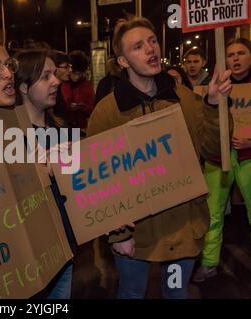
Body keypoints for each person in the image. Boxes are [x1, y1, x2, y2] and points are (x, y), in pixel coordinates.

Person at [87, 16, 232, 299]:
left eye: (152, 41)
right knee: (131, 293)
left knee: (176, 294)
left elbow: (212, 148)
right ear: (123, 62)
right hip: (136, 235)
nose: (150, 49)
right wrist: (119, 236)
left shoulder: (185, 99)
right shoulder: (107, 113)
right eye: (138, 46)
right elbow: (97, 179)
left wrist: (213, 105)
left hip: (183, 229)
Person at [14, 49, 77, 299]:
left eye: (55, 75)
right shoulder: (8, 135)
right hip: (28, 254)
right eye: (45, 76)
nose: (57, 81)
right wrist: (42, 173)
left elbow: (79, 188)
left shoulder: (61, 127)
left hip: (65, 246)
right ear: (23, 87)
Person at [192, 38, 251, 282]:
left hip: (248, 158)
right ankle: (208, 263)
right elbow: (202, 123)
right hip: (217, 160)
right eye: (230, 54)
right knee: (212, 215)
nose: (235, 59)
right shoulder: (210, 87)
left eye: (241, 53)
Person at [61, 50, 95, 134]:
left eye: (79, 74)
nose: (77, 77)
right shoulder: (61, 84)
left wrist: (84, 108)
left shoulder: (87, 86)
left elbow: (93, 109)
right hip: (64, 128)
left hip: (82, 128)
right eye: (74, 73)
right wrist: (68, 107)